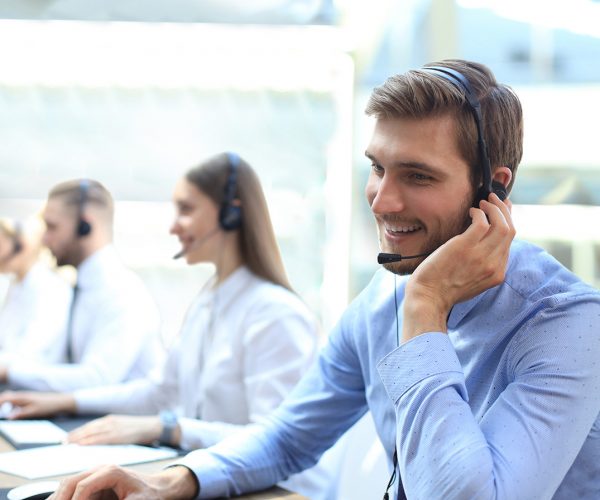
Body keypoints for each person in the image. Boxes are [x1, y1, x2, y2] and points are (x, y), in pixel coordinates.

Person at [40, 60, 600, 500]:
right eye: (378, 167)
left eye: (418, 176)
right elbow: (288, 436)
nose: (383, 200)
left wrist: (426, 307)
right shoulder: (382, 302)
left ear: (494, 189)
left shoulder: (567, 324)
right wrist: (172, 481)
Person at [1, 153, 341, 500]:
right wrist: (65, 402)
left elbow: (272, 442)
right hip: (214, 479)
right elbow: (160, 390)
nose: (173, 226)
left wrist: (168, 427)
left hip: (276, 492)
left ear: (231, 212)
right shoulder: (210, 299)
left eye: (186, 209)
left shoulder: (275, 314)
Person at [0, 179, 163, 392]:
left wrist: (9, 370)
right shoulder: (82, 288)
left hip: (126, 420)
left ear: (85, 226)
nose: (44, 239)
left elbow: (98, 378)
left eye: (52, 227)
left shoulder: (123, 292)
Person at [0, 216, 72, 365]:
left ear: (22, 246)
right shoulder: (15, 285)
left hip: (27, 379)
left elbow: (30, 354)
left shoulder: (51, 289)